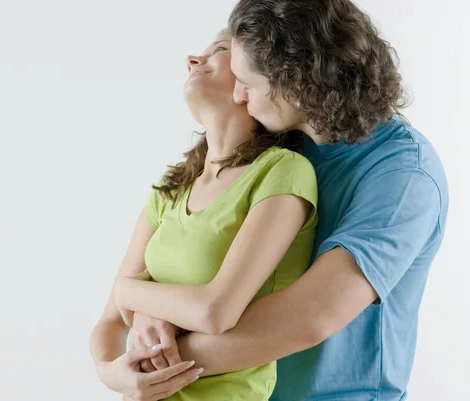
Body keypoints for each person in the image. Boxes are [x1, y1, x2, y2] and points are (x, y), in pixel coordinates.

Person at [125, 1, 449, 400]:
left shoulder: (403, 176)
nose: (239, 95)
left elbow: (309, 318)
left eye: (247, 82)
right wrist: (148, 314)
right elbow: (196, 259)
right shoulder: (277, 148)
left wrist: (157, 361)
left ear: (293, 81)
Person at [89, 29, 319, 401]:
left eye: (220, 50)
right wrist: (111, 372)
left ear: (254, 78)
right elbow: (110, 323)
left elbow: (216, 312)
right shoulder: (172, 187)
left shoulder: (282, 171)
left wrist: (132, 293)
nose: (194, 60)